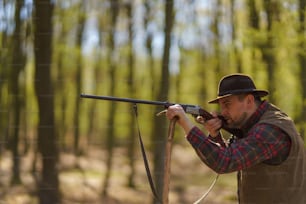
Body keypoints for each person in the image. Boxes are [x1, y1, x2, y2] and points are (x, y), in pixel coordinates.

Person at [166, 73, 306, 204]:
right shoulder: (253, 125)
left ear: (249, 100)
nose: (223, 112)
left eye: (227, 104)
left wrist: (187, 126)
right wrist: (215, 135)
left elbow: (225, 162)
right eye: (221, 106)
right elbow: (234, 155)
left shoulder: (270, 130)